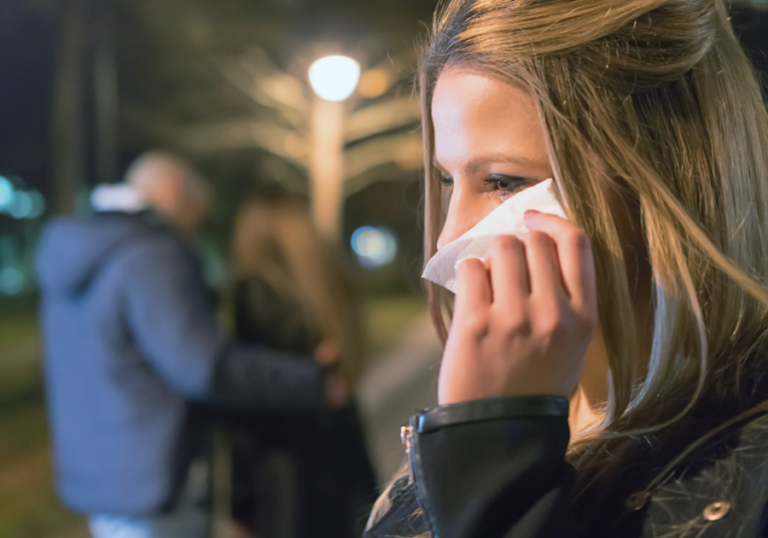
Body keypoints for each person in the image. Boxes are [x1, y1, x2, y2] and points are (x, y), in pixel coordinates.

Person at [364, 1, 768, 537]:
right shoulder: (439, 448)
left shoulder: (746, 476)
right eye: (446, 180)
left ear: (663, 180)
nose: (448, 237)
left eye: (504, 181)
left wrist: (490, 457)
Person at [36, 152, 343, 538]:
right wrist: (311, 382)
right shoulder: (151, 254)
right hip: (156, 481)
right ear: (178, 191)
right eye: (198, 213)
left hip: (104, 476)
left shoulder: (86, 248)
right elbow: (206, 368)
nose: (194, 230)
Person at [226, 193, 376, 538]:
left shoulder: (257, 293)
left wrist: (240, 502)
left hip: (282, 469)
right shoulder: (326, 287)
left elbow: (250, 393)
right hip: (341, 460)